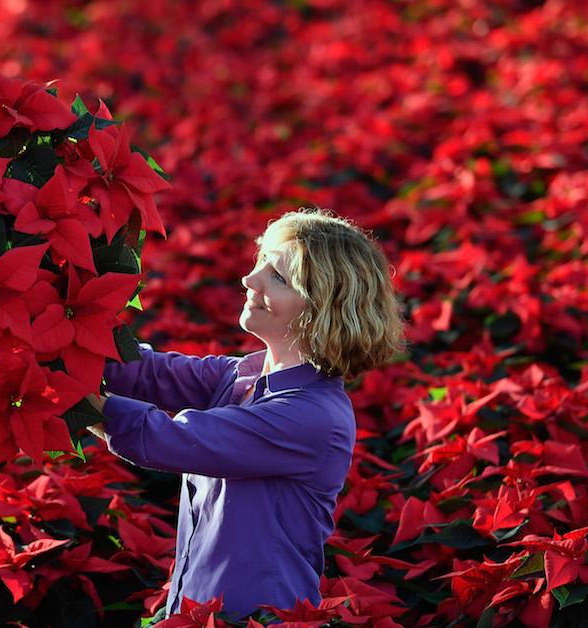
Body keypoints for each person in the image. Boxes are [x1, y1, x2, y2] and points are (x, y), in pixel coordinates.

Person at [84, 207, 406, 620]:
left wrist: (67, 399)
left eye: (277, 277)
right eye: (260, 263)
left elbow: (168, 438)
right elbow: (147, 371)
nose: (249, 280)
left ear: (320, 311)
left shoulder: (312, 417)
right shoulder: (243, 376)